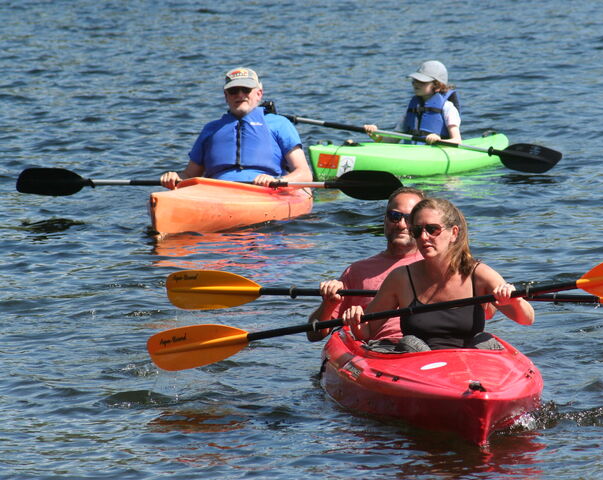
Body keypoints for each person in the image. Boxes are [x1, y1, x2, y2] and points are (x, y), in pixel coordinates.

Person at [342, 197, 534, 351]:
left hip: (469, 365)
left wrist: (512, 301)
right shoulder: (401, 278)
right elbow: (367, 331)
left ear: (454, 233)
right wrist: (356, 320)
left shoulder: (479, 274)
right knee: (409, 343)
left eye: (432, 229)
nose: (424, 237)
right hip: (418, 363)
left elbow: (527, 319)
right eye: (417, 231)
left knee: (486, 341)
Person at [160, 67, 313, 189]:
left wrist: (277, 180)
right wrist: (174, 177)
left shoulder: (279, 124)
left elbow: (304, 174)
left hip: (266, 190)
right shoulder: (211, 129)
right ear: (226, 96)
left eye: (246, 90)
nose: (240, 95)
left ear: (259, 94)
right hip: (216, 191)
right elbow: (189, 174)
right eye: (233, 91)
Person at [307, 187, 426, 342]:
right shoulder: (357, 271)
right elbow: (314, 335)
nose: (402, 225)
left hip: (425, 350)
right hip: (377, 351)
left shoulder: (435, 266)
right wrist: (329, 304)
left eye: (410, 218)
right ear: (385, 219)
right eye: (395, 216)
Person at [363, 60, 462, 145]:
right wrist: (375, 135)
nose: (415, 83)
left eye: (422, 81)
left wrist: (438, 140)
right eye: (415, 80)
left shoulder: (448, 108)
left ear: (438, 86)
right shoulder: (412, 108)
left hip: (438, 150)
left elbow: (457, 140)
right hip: (413, 151)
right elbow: (393, 140)